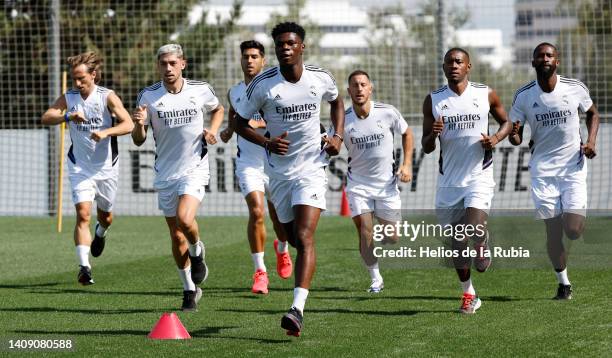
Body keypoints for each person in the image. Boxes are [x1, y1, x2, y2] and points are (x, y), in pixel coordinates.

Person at [234, 22, 344, 336]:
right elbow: (240, 124)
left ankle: (297, 309)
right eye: (280, 43)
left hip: (312, 167)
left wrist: (336, 136)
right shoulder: (263, 85)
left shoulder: (319, 77)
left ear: (301, 47)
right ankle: (284, 246)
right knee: (294, 238)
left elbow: (337, 102)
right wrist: (266, 142)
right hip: (279, 172)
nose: (285, 47)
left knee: (306, 238)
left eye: (290, 43)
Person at [131, 44, 224, 311]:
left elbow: (218, 110)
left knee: (185, 219)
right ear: (158, 66)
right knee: (175, 235)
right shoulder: (148, 96)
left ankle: (197, 252)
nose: (168, 68)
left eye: (173, 63)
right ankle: (189, 290)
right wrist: (138, 124)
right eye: (163, 64)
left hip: (195, 167)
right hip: (165, 171)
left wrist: (213, 130)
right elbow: (138, 141)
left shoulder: (200, 90)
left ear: (183, 63)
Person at [421, 48, 511, 314]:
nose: (454, 66)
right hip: (449, 182)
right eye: (449, 62)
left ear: (468, 66)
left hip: (479, 176)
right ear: (443, 67)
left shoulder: (485, 94)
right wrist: (433, 135)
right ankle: (469, 294)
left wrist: (494, 140)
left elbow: (506, 122)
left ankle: (482, 242)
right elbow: (426, 147)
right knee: (456, 244)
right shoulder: (434, 100)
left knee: (472, 229)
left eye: (459, 62)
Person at [509, 42, 599, 300]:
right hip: (543, 172)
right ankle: (564, 283)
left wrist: (590, 142)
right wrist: (514, 135)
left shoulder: (574, 88)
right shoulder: (524, 96)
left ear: (557, 61)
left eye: (550, 55)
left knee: (573, 230)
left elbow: (593, 114)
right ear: (533, 61)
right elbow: (516, 137)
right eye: (540, 55)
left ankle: (568, 218)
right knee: (553, 232)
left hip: (572, 168)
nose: (545, 58)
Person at [41, 52, 134, 285]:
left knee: (107, 217)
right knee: (83, 213)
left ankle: (101, 232)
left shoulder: (107, 97)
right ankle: (84, 267)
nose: (77, 83)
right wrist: (68, 117)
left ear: (93, 75)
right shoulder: (69, 97)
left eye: (82, 78)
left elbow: (129, 124)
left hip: (106, 168)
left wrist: (105, 132)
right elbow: (47, 116)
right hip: (79, 166)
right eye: (74, 78)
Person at [219, 40, 293, 295]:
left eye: (254, 57)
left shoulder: (275, 89)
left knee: (280, 219)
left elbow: (276, 122)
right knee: (257, 212)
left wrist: (255, 124)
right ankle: (260, 271)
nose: (249, 61)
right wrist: (229, 130)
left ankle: (282, 249)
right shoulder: (234, 91)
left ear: (263, 61)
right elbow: (234, 117)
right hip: (248, 163)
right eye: (245, 57)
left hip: (275, 164)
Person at [343, 70, 413, 293]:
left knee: (392, 237)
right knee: (365, 229)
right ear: (349, 91)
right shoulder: (343, 120)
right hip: (358, 185)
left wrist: (406, 164)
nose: (359, 89)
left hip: (386, 186)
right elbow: (332, 144)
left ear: (370, 88)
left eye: (363, 84)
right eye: (355, 85)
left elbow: (408, 133)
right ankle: (375, 279)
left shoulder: (388, 112)